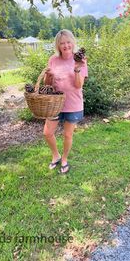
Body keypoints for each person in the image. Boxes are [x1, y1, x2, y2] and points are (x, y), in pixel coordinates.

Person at [43, 29, 88, 174]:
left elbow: (78, 85)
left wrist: (76, 70)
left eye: (68, 42)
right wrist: (48, 76)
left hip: (73, 103)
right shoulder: (53, 59)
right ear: (58, 45)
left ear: (73, 42)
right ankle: (55, 155)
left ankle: (64, 159)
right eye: (62, 43)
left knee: (68, 135)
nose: (66, 45)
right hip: (55, 103)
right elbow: (47, 84)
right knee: (47, 132)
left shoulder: (80, 60)